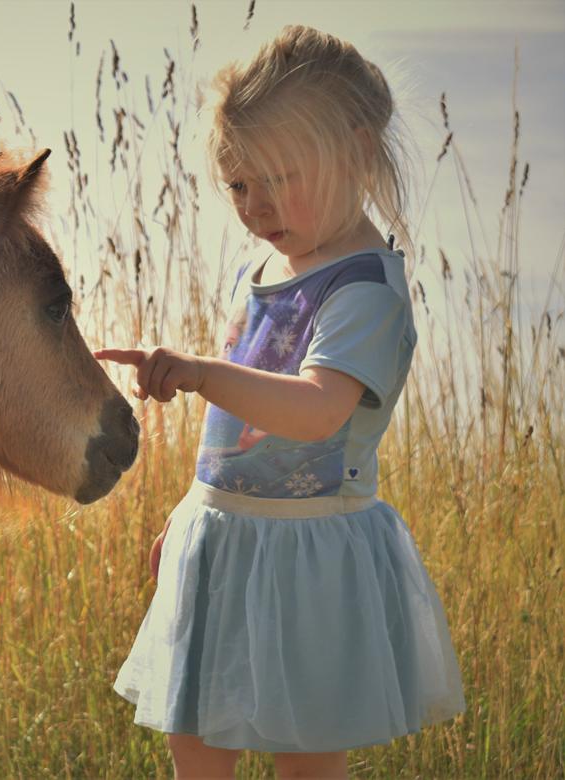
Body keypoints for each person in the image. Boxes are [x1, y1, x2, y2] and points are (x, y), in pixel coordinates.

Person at [97, 25, 465, 779]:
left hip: (308, 552)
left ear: (357, 155)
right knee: (194, 735)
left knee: (304, 751)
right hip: (225, 541)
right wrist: (192, 504)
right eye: (238, 185)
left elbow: (316, 410)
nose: (255, 206)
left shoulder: (362, 289)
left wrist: (198, 371)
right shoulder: (264, 269)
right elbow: (234, 421)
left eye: (279, 178)